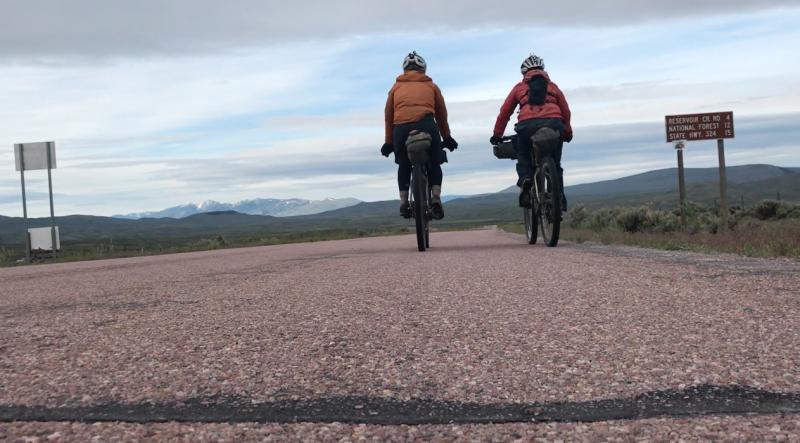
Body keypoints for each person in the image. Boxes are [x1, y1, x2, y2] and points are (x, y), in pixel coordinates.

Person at [381, 51, 458, 219]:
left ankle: (403, 201)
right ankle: (436, 197)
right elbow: (441, 115)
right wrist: (447, 138)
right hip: (427, 125)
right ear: (423, 69)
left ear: (404, 70)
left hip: (400, 129)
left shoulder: (395, 88)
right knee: (435, 162)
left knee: (404, 164)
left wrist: (388, 142)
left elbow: (388, 117)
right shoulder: (431, 86)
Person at [491, 54, 572, 209]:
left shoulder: (519, 88)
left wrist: (497, 135)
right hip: (554, 124)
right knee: (556, 164)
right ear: (542, 70)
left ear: (524, 72)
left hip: (527, 126)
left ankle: (526, 179)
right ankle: (559, 200)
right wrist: (567, 132)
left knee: (523, 156)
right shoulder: (553, 87)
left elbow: (505, 113)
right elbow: (566, 111)